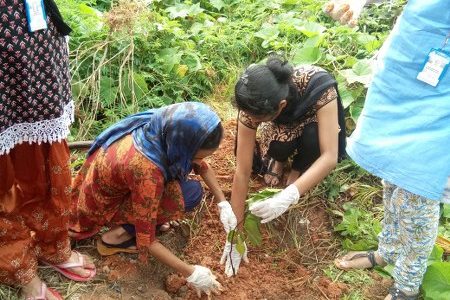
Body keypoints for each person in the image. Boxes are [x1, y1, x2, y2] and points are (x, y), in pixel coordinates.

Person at [325, 1, 450, 299]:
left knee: (417, 186)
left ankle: (407, 286)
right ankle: (389, 250)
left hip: (443, 83)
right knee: (392, 172)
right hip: (410, 52)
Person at [70, 102, 224, 296]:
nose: (198, 163)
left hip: (111, 186)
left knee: (190, 188)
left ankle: (128, 225)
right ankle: (115, 237)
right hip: (104, 205)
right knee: (191, 193)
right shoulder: (147, 172)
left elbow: (202, 165)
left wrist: (222, 202)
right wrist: (191, 272)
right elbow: (147, 240)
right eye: (195, 157)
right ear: (183, 147)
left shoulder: (162, 125)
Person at [0, 1, 96, 299]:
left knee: (46, 159)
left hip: (32, 39)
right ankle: (21, 270)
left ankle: (53, 245)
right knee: (3, 176)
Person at [219, 56, 346, 276]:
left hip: (313, 122)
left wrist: (290, 195)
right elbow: (242, 171)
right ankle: (278, 160)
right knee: (278, 146)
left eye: (257, 119)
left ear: (281, 106)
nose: (251, 120)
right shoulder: (253, 104)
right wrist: (235, 236)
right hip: (282, 126)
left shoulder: (319, 86)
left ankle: (296, 170)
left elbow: (329, 155)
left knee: (313, 139)